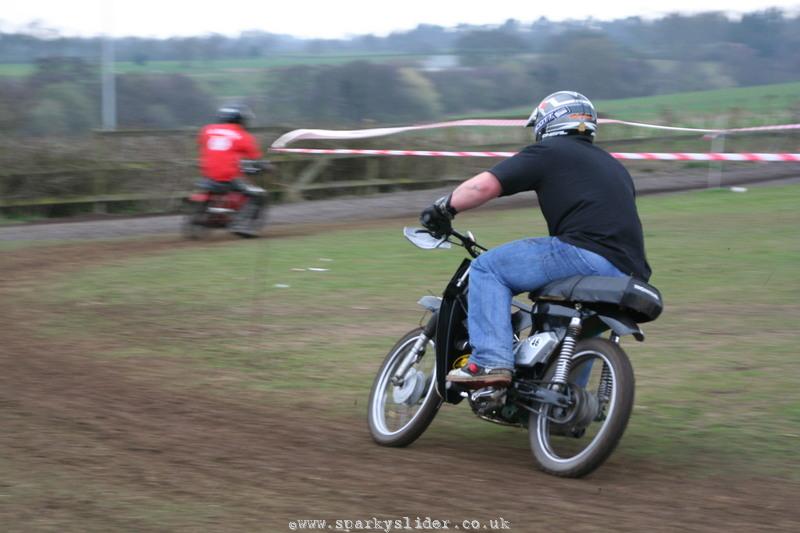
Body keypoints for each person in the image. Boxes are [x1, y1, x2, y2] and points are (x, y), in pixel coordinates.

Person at [419, 91, 651, 389]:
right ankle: (562, 406)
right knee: (576, 333)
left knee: (488, 269)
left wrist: (444, 207)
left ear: (549, 122)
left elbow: (485, 186)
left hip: (584, 253)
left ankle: (490, 360)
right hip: (629, 273)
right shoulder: (614, 165)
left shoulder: (551, 151)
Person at [198, 104, 267, 237]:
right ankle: (240, 225)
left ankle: (205, 214)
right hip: (229, 177)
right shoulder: (242, 136)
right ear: (239, 119)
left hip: (207, 176)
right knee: (258, 195)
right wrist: (264, 166)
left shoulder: (206, 130)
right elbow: (255, 158)